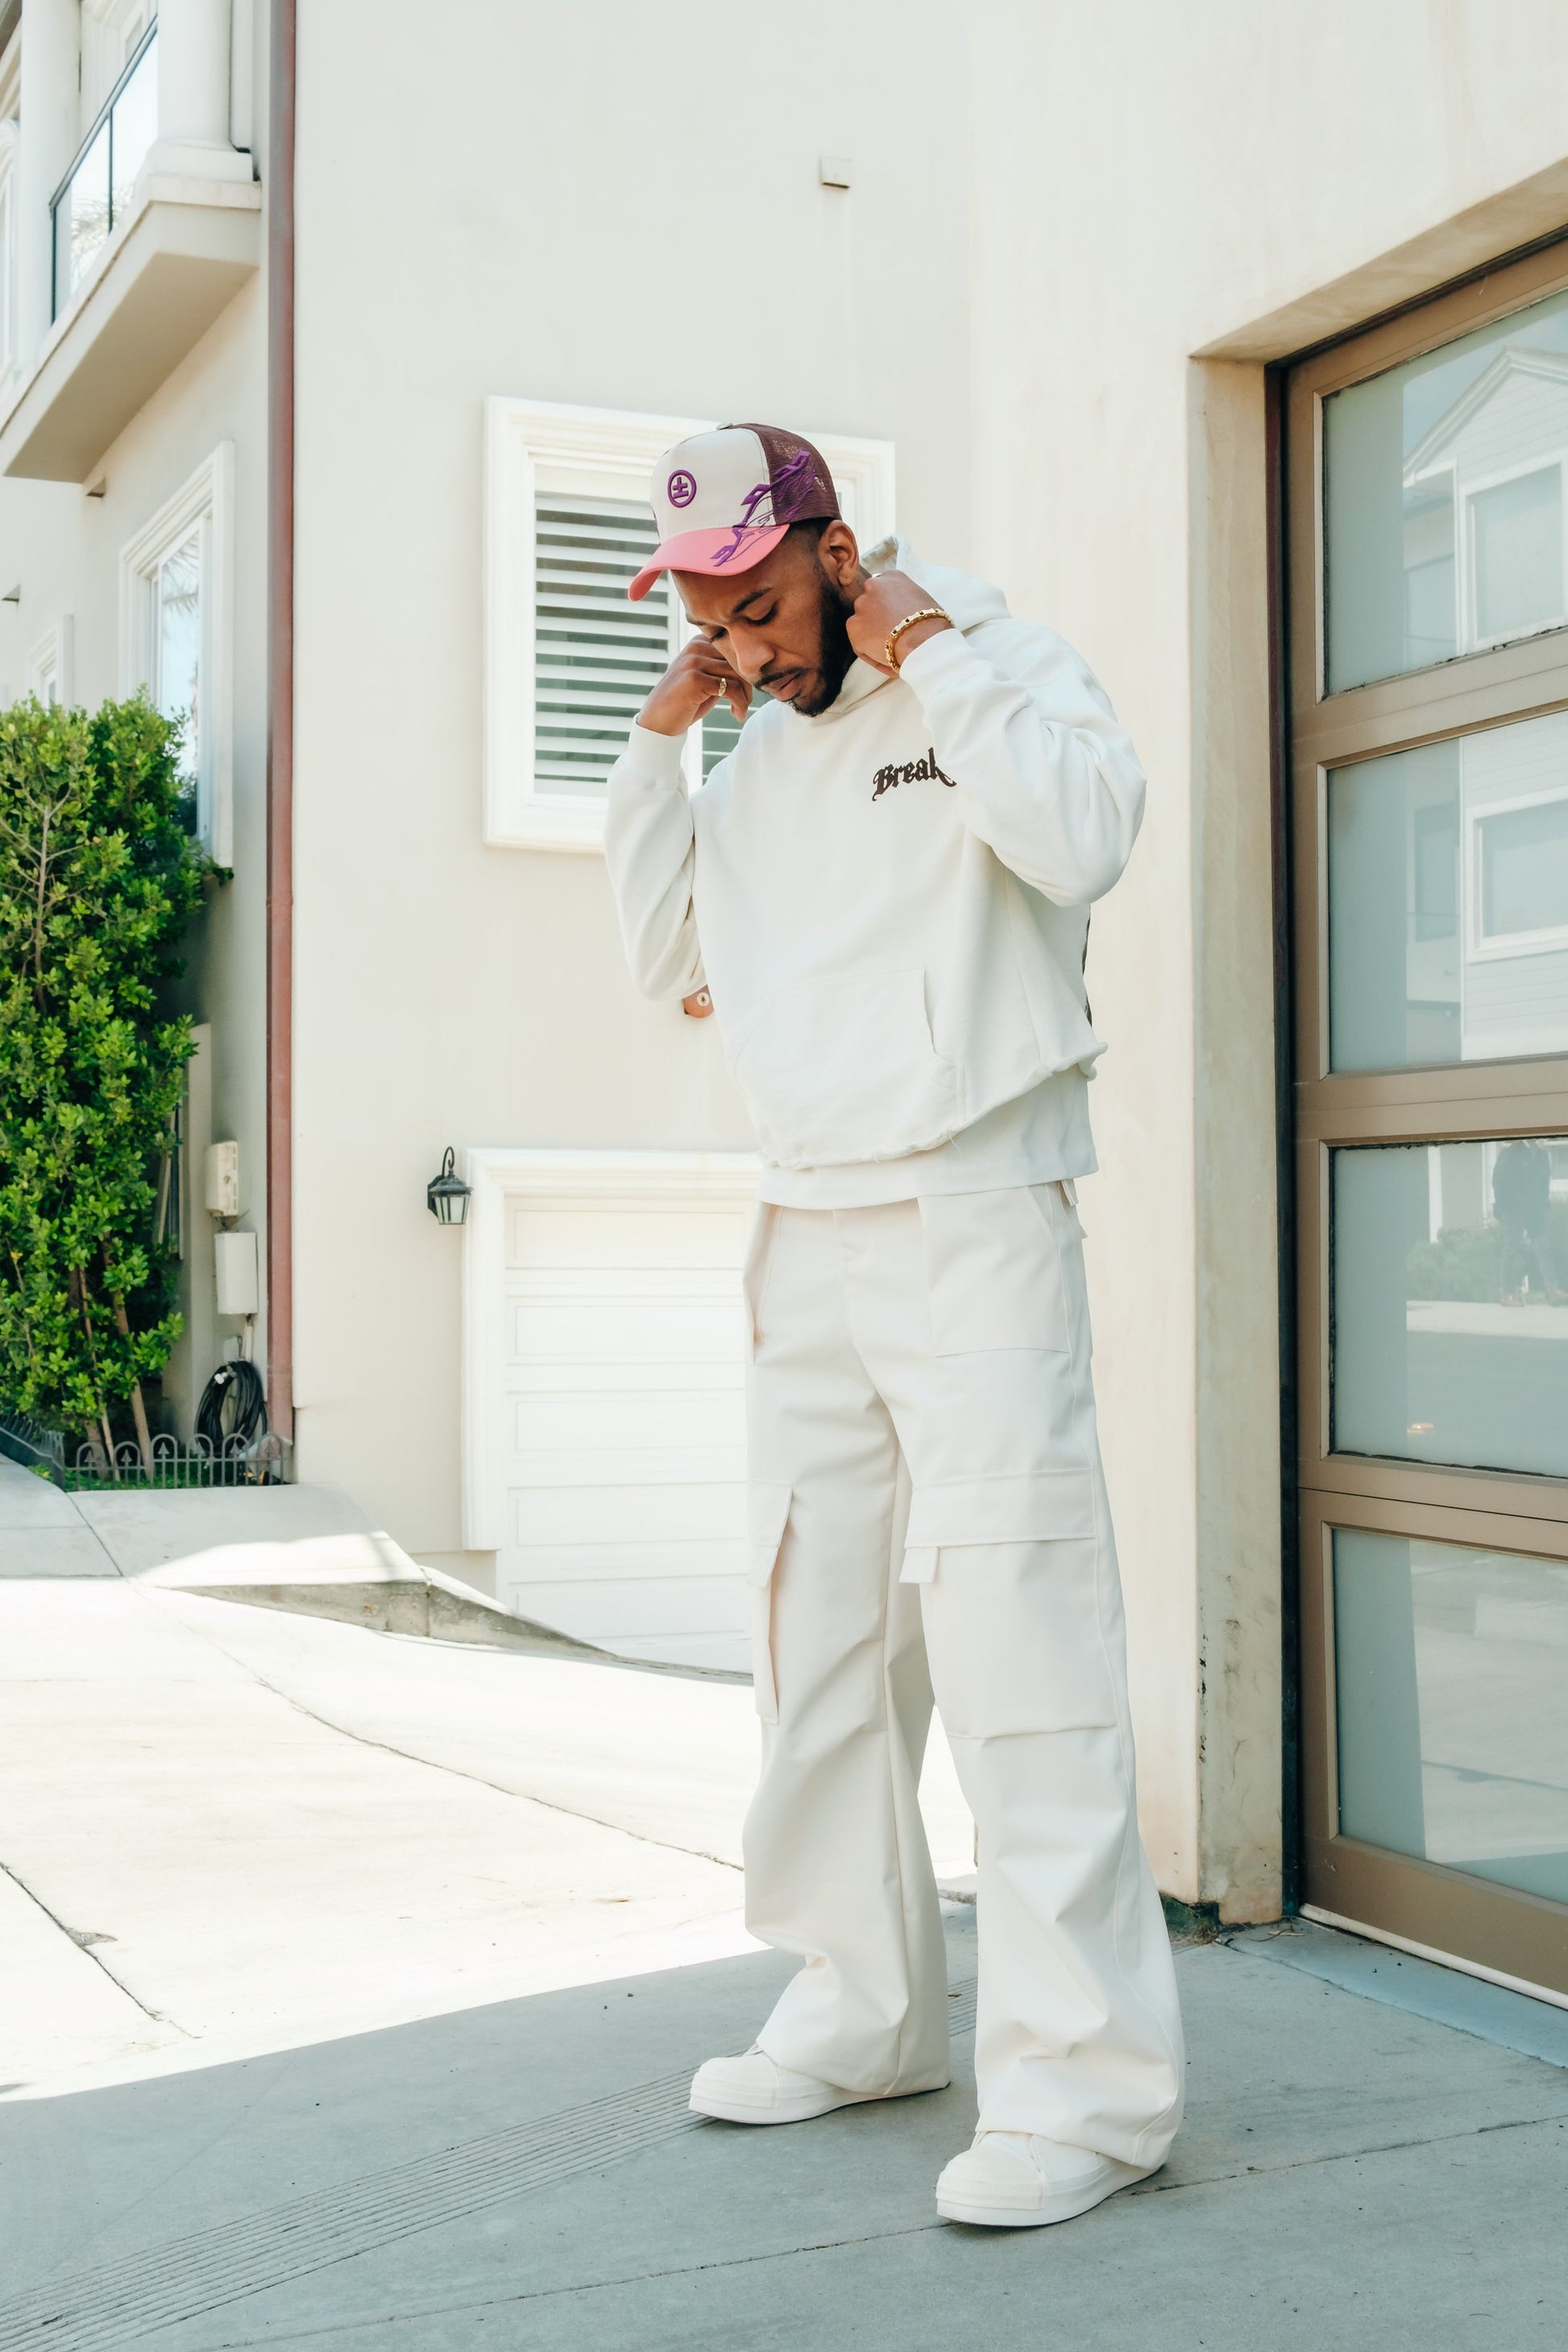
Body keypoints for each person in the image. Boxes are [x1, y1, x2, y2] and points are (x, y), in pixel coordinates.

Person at [604, 424, 1184, 2230]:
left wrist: (926, 648)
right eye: (717, 622)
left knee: (1022, 1646)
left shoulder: (986, 662)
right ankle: (859, 2011)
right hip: (809, 1221)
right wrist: (658, 743)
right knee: (821, 1650)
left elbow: (1084, 836)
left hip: (974, 1211)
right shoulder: (753, 753)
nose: (757, 651)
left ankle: (1086, 2092)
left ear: (840, 551)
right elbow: (662, 958)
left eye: (768, 607)